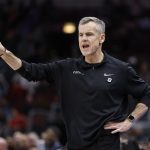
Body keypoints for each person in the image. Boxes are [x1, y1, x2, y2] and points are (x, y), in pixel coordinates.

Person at [0, 17, 150, 150]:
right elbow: (30, 71)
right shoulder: (66, 68)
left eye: (89, 34)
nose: (84, 38)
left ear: (101, 38)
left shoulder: (120, 69)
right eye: (81, 35)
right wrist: (3, 53)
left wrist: (130, 120)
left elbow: (146, 94)